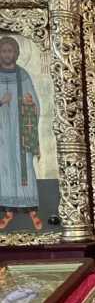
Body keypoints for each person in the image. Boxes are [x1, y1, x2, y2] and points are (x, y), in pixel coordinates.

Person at [0, 36, 42, 231]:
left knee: (24, 164)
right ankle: (8, 211)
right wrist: (1, 101)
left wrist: (28, 103)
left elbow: (34, 102)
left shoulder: (23, 75)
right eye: (4, 51)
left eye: (10, 51)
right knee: (4, 167)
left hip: (21, 131)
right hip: (2, 132)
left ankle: (31, 209)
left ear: (16, 53)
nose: (7, 54)